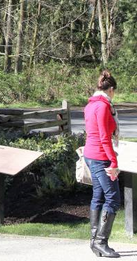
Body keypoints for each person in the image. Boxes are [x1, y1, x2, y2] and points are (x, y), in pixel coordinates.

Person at [84, 70, 120, 258]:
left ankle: (94, 240)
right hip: (100, 156)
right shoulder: (103, 106)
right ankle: (100, 242)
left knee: (98, 196)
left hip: (90, 155)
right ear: (111, 89)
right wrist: (113, 161)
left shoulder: (90, 105)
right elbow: (105, 137)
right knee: (113, 198)